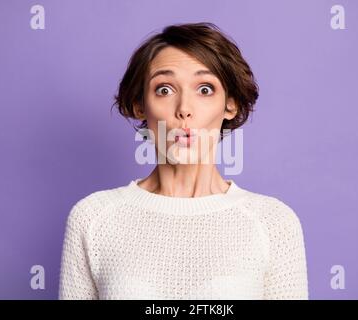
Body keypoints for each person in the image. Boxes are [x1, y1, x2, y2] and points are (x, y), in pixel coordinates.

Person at [58, 22, 309, 300]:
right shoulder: (93, 218)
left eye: (204, 89)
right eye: (165, 89)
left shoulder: (273, 223)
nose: (184, 110)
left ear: (230, 104)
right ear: (141, 104)